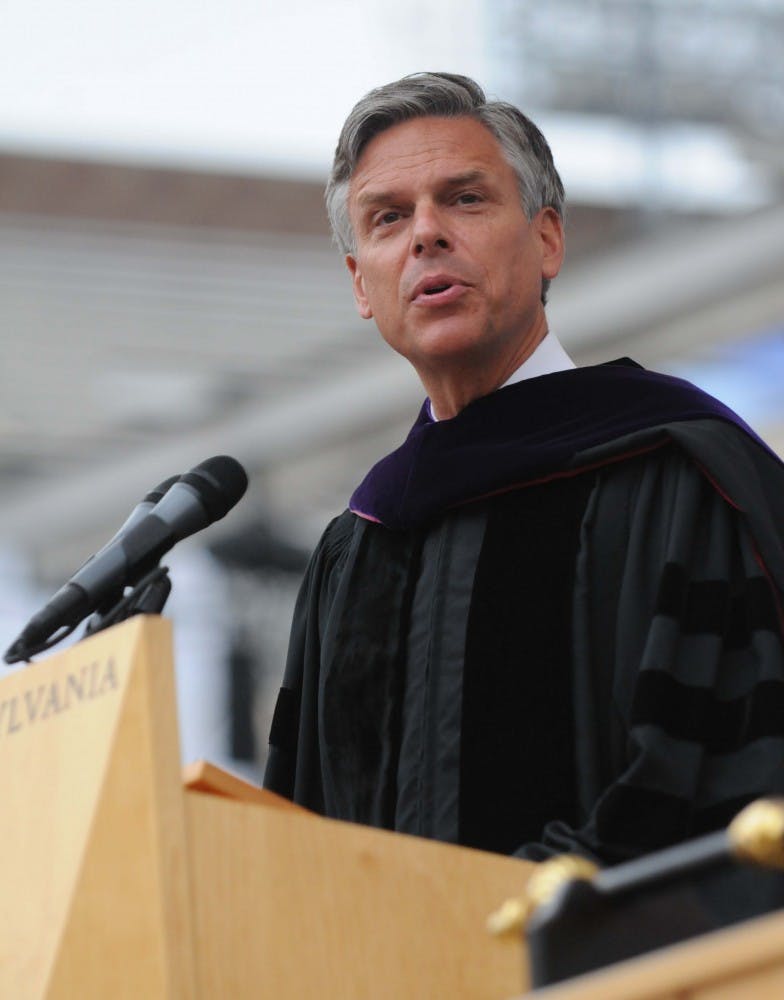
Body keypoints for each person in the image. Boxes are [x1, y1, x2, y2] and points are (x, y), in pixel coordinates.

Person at [264, 72, 784, 866]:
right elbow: (297, 840)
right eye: (388, 218)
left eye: (465, 199)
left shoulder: (676, 477)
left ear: (547, 240)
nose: (425, 235)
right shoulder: (356, 549)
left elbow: (715, 784)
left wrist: (514, 929)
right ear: (361, 284)